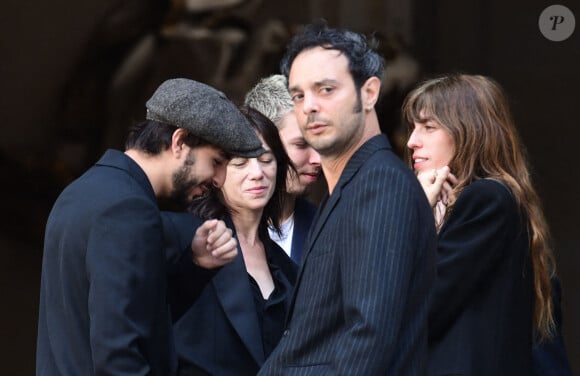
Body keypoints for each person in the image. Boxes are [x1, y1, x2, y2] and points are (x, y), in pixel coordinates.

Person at [36, 78, 264, 376]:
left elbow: (138, 319)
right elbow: (118, 354)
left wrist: (194, 266)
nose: (219, 179)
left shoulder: (83, 190)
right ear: (179, 142)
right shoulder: (129, 209)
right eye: (217, 161)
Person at [258, 22, 437, 375]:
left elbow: (368, 334)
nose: (309, 106)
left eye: (325, 89)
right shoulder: (352, 185)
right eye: (298, 95)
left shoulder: (380, 183)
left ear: (369, 93)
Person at [403, 73, 561, 374]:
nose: (412, 141)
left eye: (428, 127)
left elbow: (423, 306)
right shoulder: (483, 199)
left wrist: (417, 214)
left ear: (468, 132)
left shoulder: (486, 198)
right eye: (413, 127)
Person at [169, 106, 297, 375]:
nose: (257, 173)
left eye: (266, 159)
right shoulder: (187, 240)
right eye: (240, 162)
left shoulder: (285, 265)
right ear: (216, 171)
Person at [244, 74, 322, 263]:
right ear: (260, 139)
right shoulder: (212, 232)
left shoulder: (327, 228)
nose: (318, 159)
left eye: (319, 143)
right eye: (301, 144)